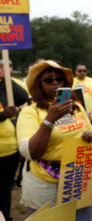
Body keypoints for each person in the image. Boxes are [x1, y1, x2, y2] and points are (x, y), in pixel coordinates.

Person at [16, 60, 92, 220]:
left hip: (78, 182)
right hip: (46, 189)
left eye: (59, 79)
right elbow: (30, 152)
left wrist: (89, 137)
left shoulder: (76, 108)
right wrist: (49, 120)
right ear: (38, 84)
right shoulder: (30, 112)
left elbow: (90, 132)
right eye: (48, 79)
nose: (55, 83)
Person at [0, 61, 29, 221]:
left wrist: (6, 79)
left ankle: (5, 216)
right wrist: (2, 115)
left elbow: (23, 97)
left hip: (9, 151)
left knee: (4, 192)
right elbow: (4, 114)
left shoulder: (5, 87)